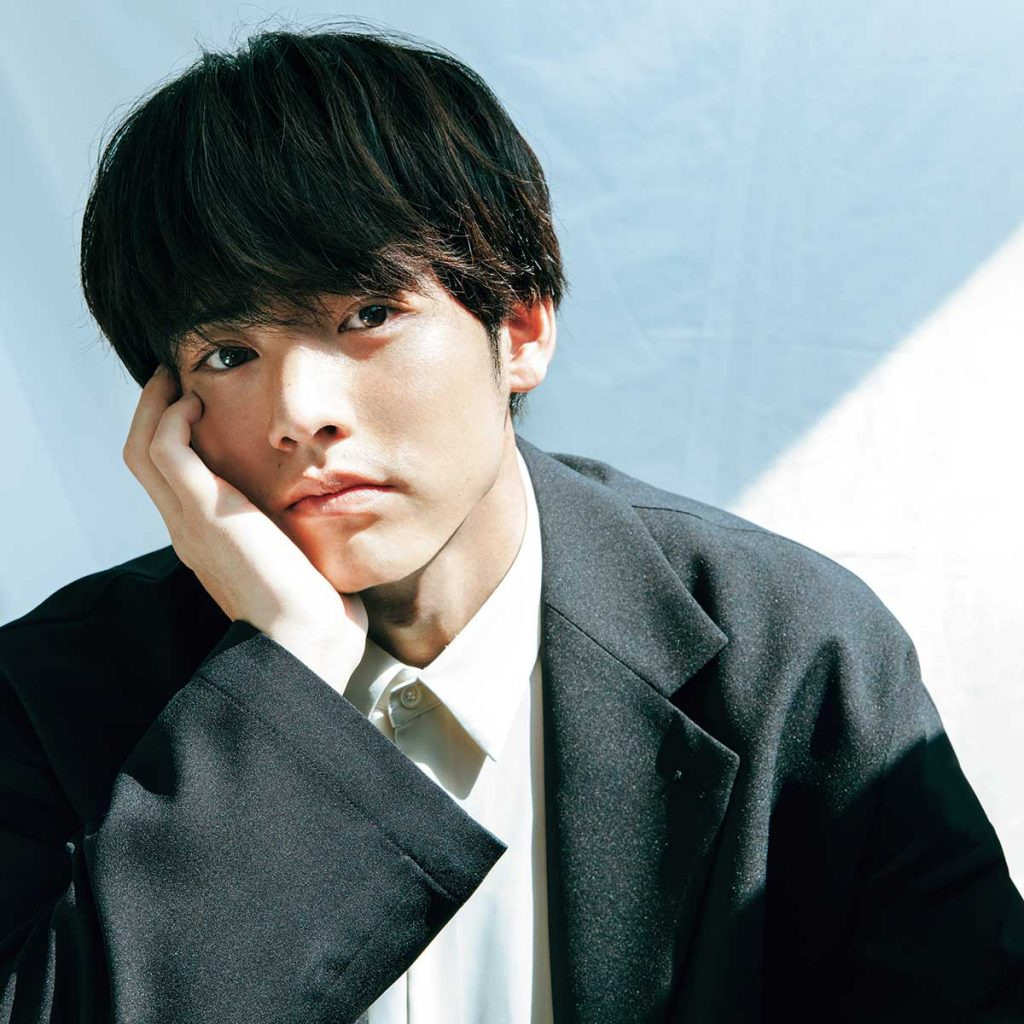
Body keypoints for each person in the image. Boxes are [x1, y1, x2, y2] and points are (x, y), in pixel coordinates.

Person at [1, 24, 1021, 1024]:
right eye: (228, 355)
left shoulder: (789, 651)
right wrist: (289, 680)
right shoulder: (50, 695)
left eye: (367, 315)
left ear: (520, 327)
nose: (298, 412)